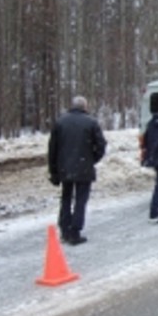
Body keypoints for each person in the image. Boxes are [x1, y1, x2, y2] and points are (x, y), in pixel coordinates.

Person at [48, 96, 106, 245]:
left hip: (64, 168)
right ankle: (75, 231)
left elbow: (52, 149)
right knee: (81, 200)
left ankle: (65, 229)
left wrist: (53, 171)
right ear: (85, 107)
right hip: (84, 168)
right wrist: (91, 159)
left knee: (66, 198)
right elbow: (101, 146)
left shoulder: (60, 122)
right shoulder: (91, 122)